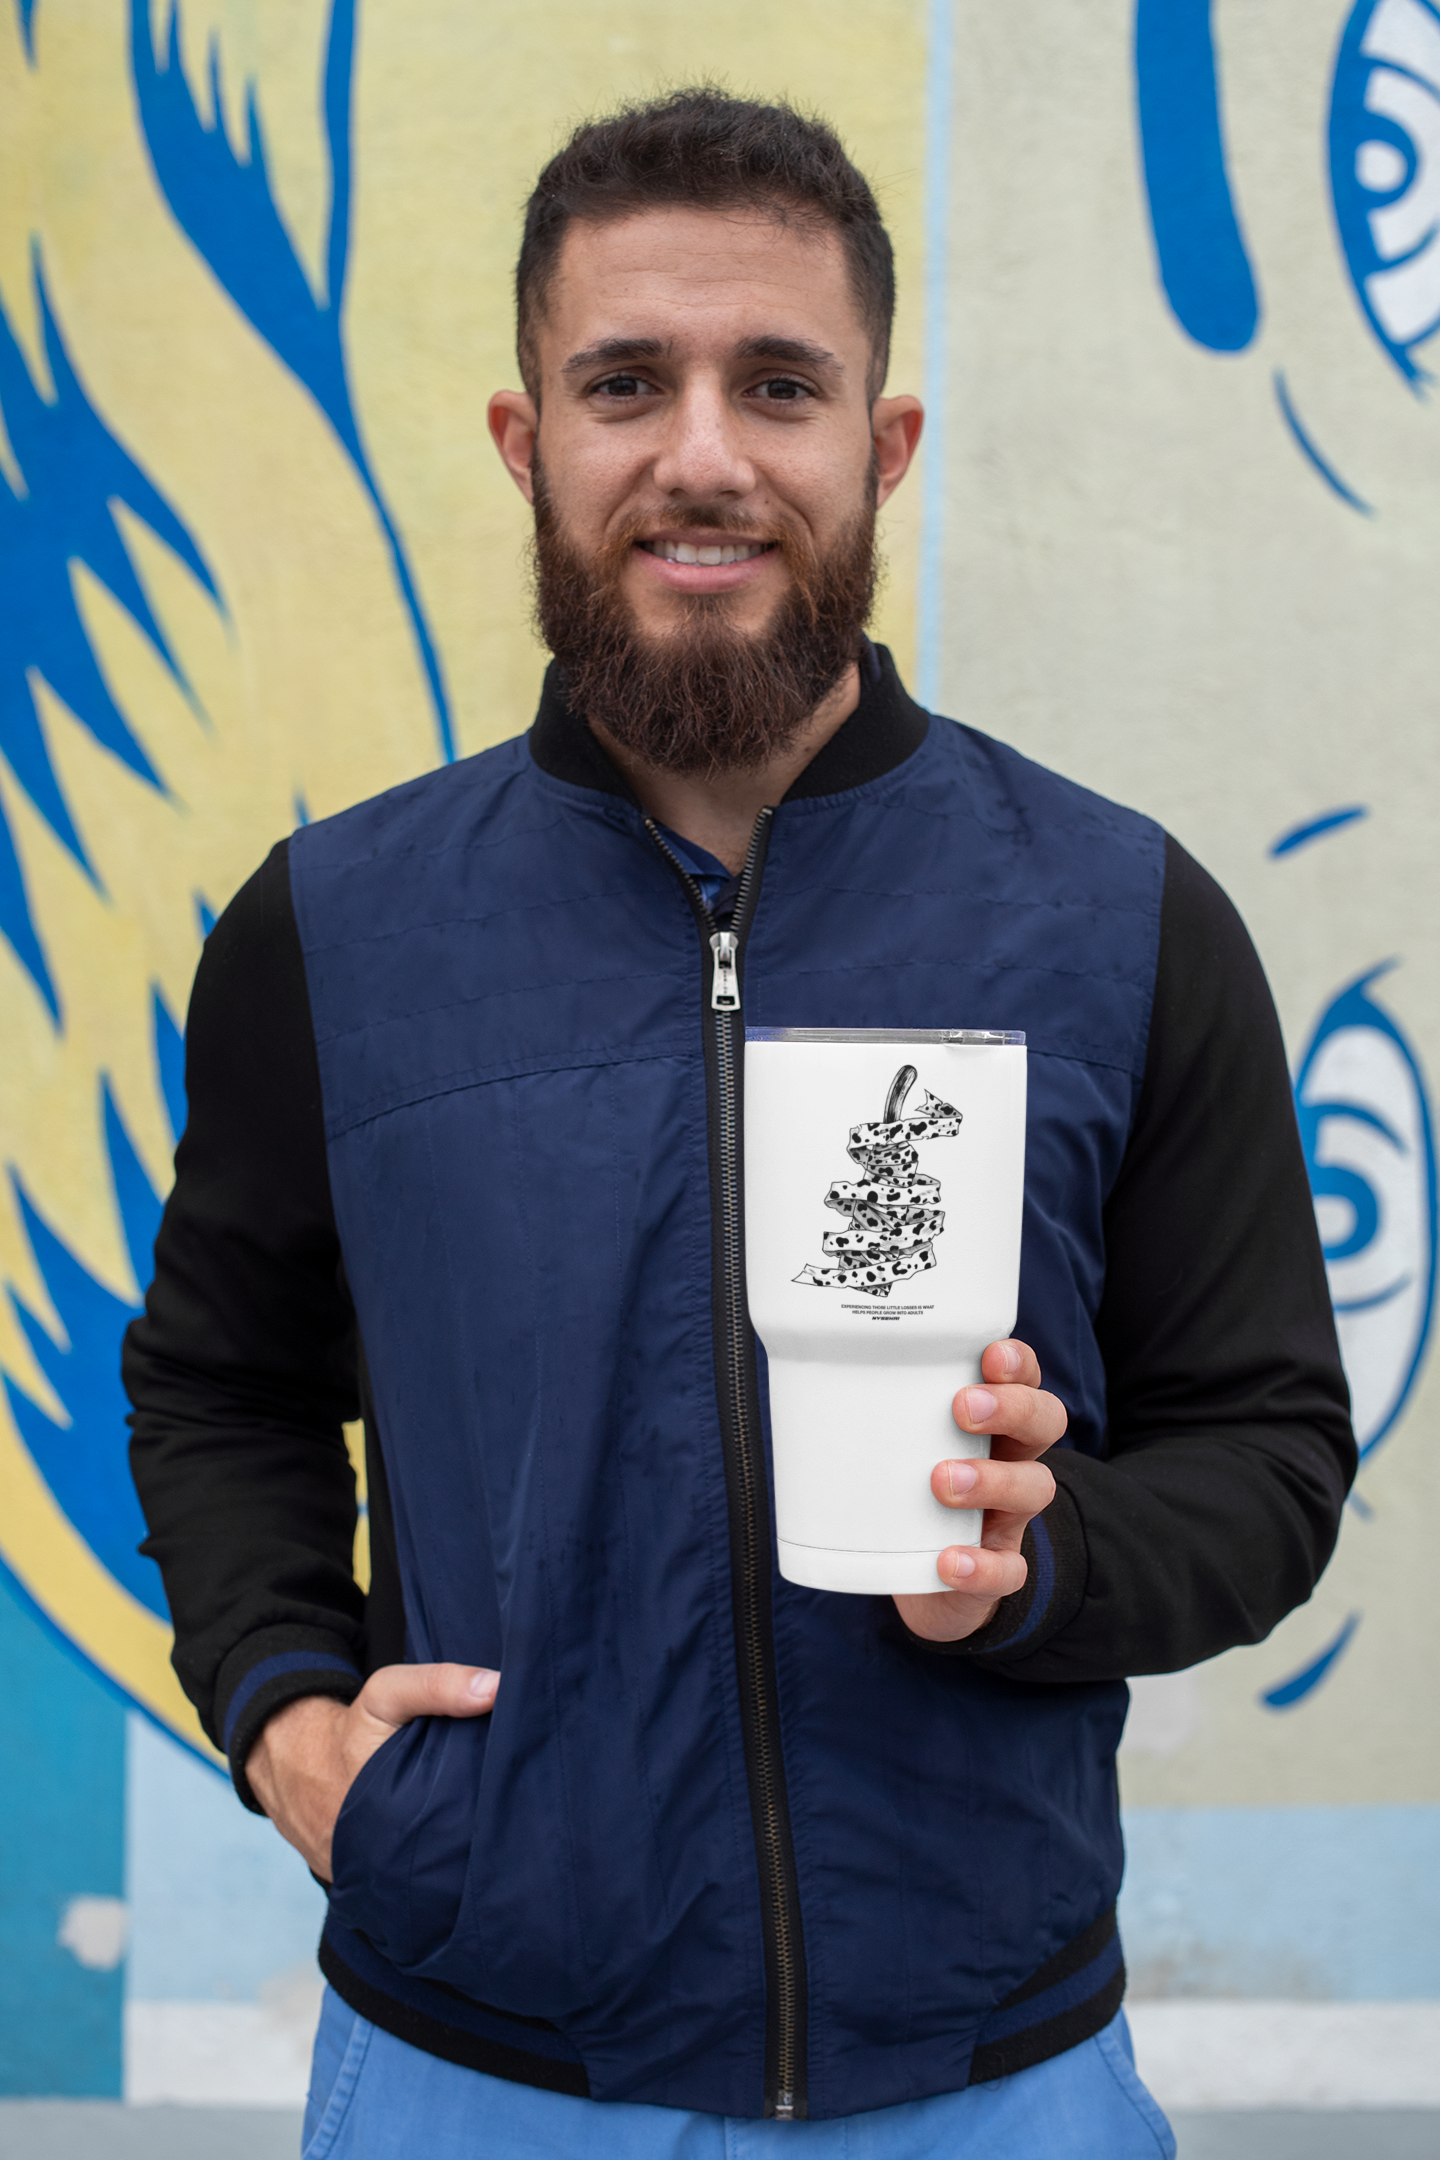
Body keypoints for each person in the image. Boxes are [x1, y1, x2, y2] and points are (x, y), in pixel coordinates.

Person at [125, 88, 1353, 2159]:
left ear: (881, 450)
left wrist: (1050, 1565)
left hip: (994, 2084)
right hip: (474, 2075)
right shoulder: (332, 934)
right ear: (530, 445)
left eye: (777, 384)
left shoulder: (1119, 917)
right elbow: (217, 1384)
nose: (702, 454)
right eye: (627, 384)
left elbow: (1270, 1451)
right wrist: (284, 1711)